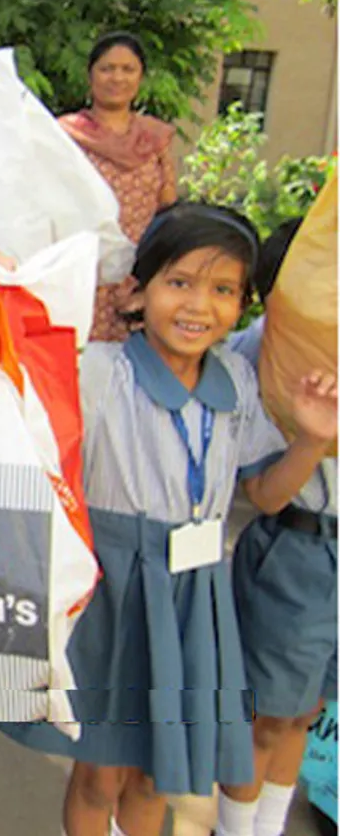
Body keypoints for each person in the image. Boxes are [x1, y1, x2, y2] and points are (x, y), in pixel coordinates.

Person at [0, 202, 337, 836]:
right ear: (139, 287)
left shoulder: (238, 379)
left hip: (194, 597)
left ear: (244, 304)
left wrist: (312, 442)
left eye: (223, 290)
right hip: (112, 593)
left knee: (160, 770)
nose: (198, 306)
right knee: (100, 772)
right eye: (178, 282)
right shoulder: (98, 372)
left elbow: (263, 493)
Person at [216, 217, 337, 836]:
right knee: (265, 716)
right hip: (296, 548)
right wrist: (314, 441)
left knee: (305, 712)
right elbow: (260, 492)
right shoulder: (260, 351)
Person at [59, 32, 177, 343]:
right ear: (90, 76)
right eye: (107, 68)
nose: (117, 78)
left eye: (128, 69)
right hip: (83, 274)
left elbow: (168, 208)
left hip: (139, 278)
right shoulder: (65, 136)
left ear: (141, 78)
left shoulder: (155, 139)